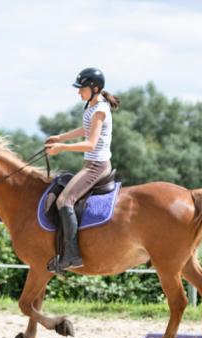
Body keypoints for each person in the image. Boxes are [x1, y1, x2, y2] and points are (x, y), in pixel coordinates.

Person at [44, 67, 120, 273]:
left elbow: (90, 144)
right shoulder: (92, 105)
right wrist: (60, 138)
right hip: (91, 165)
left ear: (94, 88)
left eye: (82, 89)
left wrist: (62, 148)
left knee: (64, 201)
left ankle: (72, 255)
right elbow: (85, 129)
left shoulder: (100, 110)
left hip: (97, 167)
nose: (79, 92)